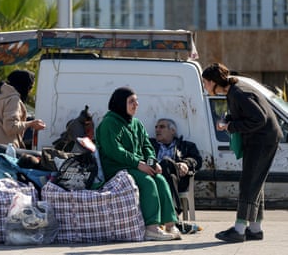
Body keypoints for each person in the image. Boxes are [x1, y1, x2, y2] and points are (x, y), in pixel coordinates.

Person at [202, 63, 283, 243]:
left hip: (262, 140)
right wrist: (228, 120)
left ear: (215, 81)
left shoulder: (239, 93)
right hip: (261, 139)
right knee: (255, 182)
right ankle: (255, 229)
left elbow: (259, 118)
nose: (205, 87)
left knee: (248, 182)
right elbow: (247, 115)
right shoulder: (234, 91)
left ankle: (239, 229)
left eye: (206, 83)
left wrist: (230, 126)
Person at [95, 87, 181, 241]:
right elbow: (114, 150)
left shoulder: (136, 123)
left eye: (136, 101)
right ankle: (151, 228)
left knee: (160, 180)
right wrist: (138, 164)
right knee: (147, 181)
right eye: (131, 101)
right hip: (116, 168)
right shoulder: (109, 123)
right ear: (121, 103)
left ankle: (169, 224)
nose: (136, 104)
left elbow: (147, 146)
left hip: (136, 166)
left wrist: (151, 162)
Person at [149, 118, 203, 216]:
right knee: (165, 163)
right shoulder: (149, 145)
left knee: (166, 163)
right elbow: (142, 158)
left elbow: (197, 160)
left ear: (173, 131)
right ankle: (172, 214)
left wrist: (185, 163)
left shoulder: (186, 146)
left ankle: (170, 213)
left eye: (162, 127)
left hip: (178, 180)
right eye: (156, 127)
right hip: (153, 177)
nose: (157, 130)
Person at [0, 69, 46, 148]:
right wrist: (31, 123)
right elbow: (11, 127)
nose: (30, 91)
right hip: (4, 148)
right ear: (24, 86)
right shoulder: (13, 99)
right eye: (30, 87)